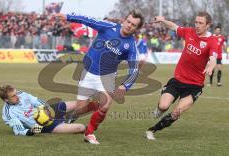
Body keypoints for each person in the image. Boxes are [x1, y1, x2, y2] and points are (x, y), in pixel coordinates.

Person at [55, 10, 144, 144]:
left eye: (134, 25)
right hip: (88, 72)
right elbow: (87, 19)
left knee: (105, 104)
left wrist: (125, 85)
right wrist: (68, 17)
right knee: (81, 108)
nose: (129, 25)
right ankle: (71, 115)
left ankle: (89, 133)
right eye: (128, 22)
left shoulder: (131, 46)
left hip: (107, 77)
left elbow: (134, 69)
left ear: (137, 29)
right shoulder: (108, 27)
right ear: (124, 20)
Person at [145, 12, 218, 140]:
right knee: (163, 106)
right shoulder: (189, 32)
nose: (197, 25)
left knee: (176, 112)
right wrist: (163, 20)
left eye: (201, 23)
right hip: (178, 80)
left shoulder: (212, 40)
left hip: (195, 86)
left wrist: (211, 65)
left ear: (208, 25)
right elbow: (174, 27)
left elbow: (213, 57)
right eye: (196, 22)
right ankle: (159, 107)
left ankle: (152, 130)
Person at [0, 84, 86, 136]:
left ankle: (67, 119)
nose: (17, 96)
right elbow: (20, 131)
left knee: (79, 103)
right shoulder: (8, 113)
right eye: (13, 96)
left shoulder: (21, 94)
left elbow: (37, 101)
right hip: (43, 125)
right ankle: (66, 121)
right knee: (81, 128)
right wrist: (35, 130)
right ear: (6, 100)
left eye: (16, 93)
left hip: (47, 111)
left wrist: (47, 109)